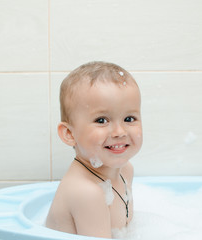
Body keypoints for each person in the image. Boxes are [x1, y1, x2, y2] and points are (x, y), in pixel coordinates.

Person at [46, 61, 143, 238]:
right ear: (69, 133)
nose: (119, 132)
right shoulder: (87, 194)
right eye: (101, 120)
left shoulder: (126, 171)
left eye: (129, 118)